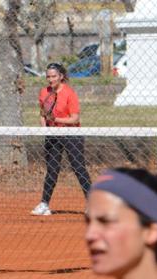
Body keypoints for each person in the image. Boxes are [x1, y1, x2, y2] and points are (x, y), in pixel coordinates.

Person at [31, 62, 91, 216]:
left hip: (72, 135)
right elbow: (42, 114)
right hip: (53, 135)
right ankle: (44, 204)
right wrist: (46, 129)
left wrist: (56, 119)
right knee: (52, 170)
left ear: (61, 77)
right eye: (48, 77)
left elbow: (74, 118)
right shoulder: (44, 92)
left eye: (54, 76)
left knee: (79, 168)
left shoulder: (69, 93)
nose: (51, 80)